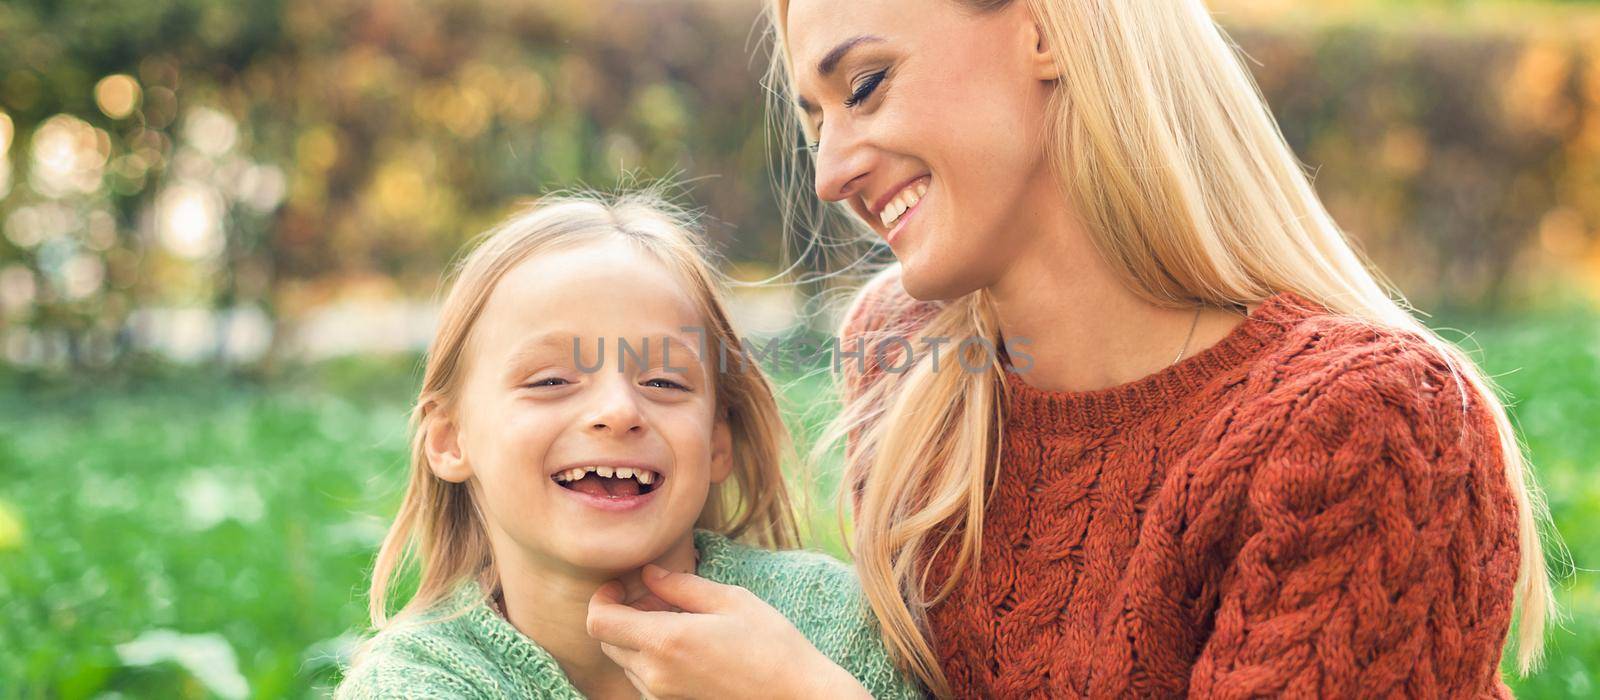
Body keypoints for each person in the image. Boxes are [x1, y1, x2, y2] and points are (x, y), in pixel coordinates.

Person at [585, 1, 1555, 697]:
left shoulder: (1370, 426)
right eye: (815, 121)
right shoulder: (908, 360)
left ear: (1047, 29)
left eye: (867, 85)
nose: (832, 171)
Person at [336, 191, 920, 699]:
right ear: (448, 440)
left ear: (719, 440)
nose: (618, 412)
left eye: (664, 382)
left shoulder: (831, 625)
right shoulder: (411, 685)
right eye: (551, 381)